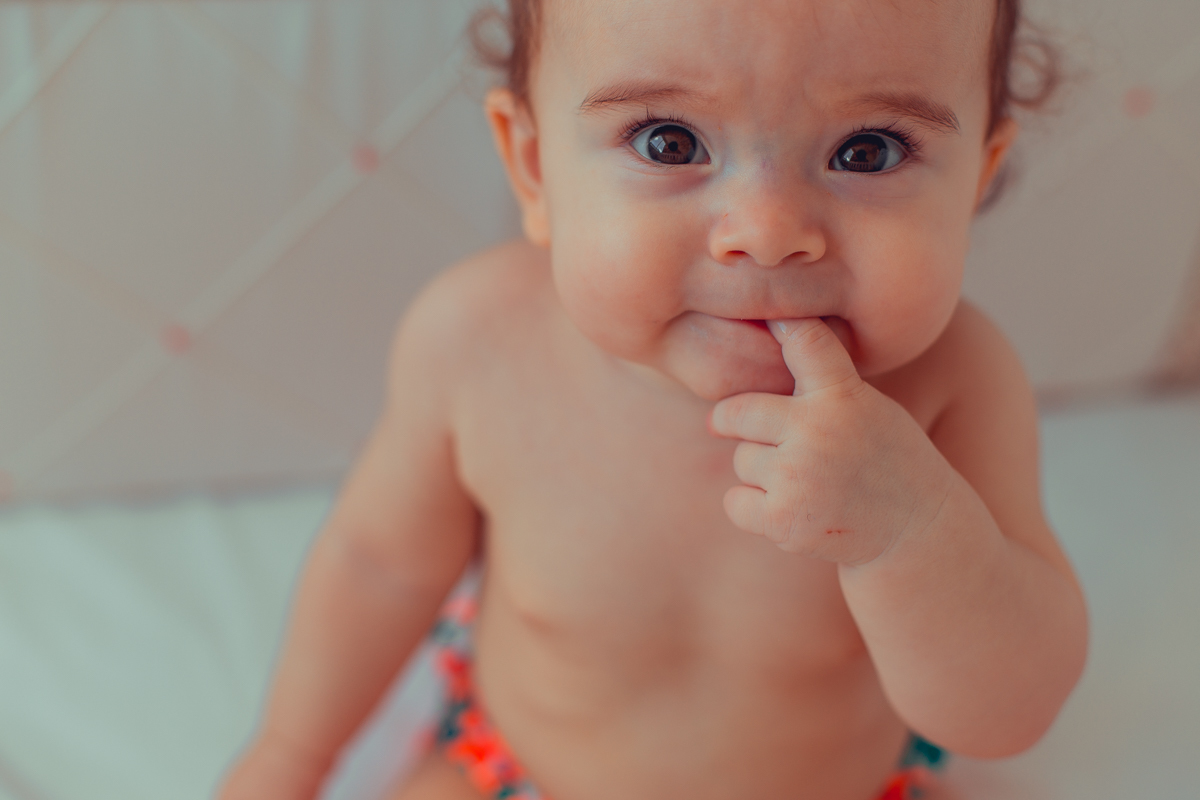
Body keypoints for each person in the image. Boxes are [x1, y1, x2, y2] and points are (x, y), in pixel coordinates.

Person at [218, 0, 1089, 797]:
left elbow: (1007, 715)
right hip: (519, 776)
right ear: (533, 168)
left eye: (869, 150)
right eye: (670, 142)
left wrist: (912, 531)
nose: (768, 233)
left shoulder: (954, 386)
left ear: (976, 175)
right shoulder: (477, 343)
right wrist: (291, 754)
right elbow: (379, 565)